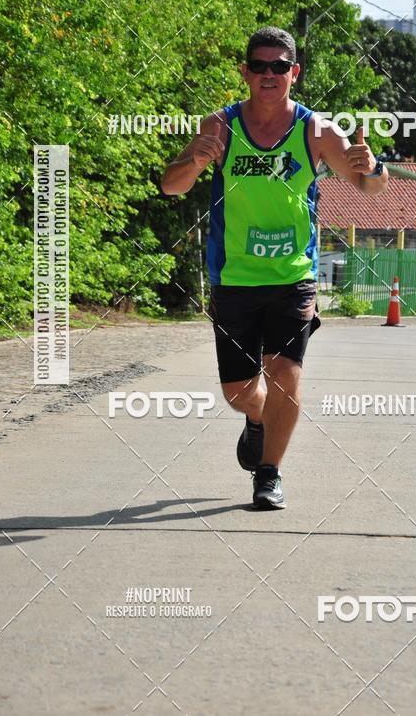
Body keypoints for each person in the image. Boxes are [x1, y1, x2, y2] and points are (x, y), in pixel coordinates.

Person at [161, 26, 388, 509]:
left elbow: (370, 187)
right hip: (235, 277)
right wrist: (196, 160)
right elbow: (171, 186)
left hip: (293, 277)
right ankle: (257, 420)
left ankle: (269, 474)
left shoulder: (318, 132)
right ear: (244, 72)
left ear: (294, 73)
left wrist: (373, 166)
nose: (269, 74)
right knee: (240, 392)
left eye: (279, 67)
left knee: (286, 372)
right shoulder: (218, 126)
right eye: (259, 66)